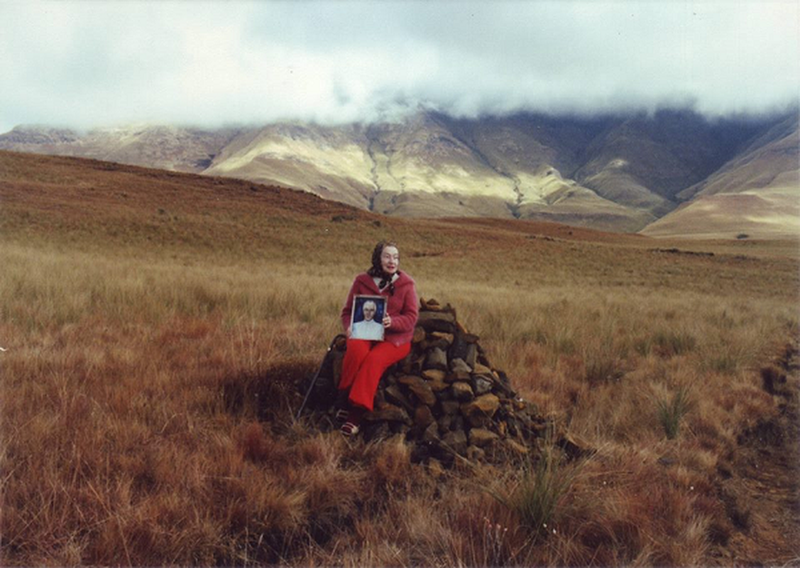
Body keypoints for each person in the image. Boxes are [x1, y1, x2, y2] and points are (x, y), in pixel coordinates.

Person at [337, 240, 419, 436]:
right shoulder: (362, 281)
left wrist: (393, 322)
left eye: (396, 257)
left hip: (395, 340)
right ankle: (344, 397)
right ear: (378, 258)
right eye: (387, 256)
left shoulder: (406, 284)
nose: (392, 261)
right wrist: (349, 328)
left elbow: (411, 317)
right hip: (365, 333)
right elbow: (347, 312)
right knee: (356, 352)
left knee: (374, 360)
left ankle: (355, 415)